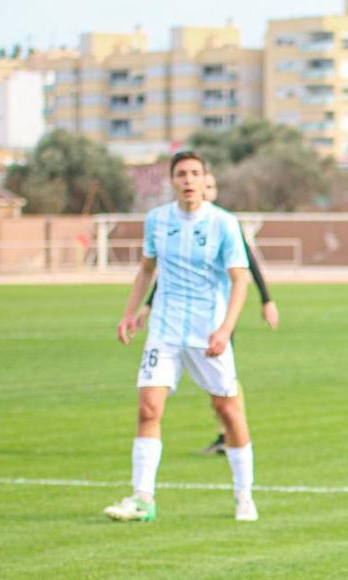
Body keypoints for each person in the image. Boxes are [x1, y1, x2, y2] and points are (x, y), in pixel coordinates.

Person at [105, 150, 259, 523]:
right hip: (165, 330)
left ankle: (244, 495)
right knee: (148, 408)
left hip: (208, 333)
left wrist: (224, 329)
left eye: (194, 173)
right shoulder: (157, 221)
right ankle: (143, 498)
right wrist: (130, 312)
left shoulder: (223, 223)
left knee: (228, 409)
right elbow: (146, 270)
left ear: (205, 180)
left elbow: (241, 279)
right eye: (181, 174)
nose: (188, 180)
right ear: (172, 181)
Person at [137, 171, 279, 456]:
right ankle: (225, 434)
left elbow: (249, 265)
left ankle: (230, 434)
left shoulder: (224, 224)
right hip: (179, 322)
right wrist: (148, 305)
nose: (207, 190)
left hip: (220, 319)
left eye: (211, 185)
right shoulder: (178, 223)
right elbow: (171, 275)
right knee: (212, 393)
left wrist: (267, 300)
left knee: (226, 389)